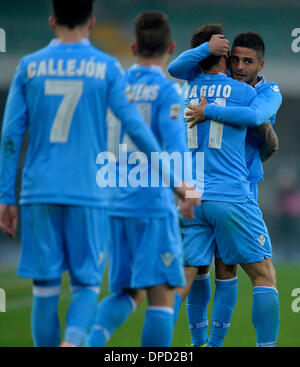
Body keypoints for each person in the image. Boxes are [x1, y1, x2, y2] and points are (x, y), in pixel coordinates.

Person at [0, 0, 197, 347]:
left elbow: (10, 135)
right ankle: (77, 342)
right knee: (142, 293)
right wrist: (179, 185)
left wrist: (5, 195)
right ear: (91, 22)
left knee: (56, 290)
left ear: (51, 21)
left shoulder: (32, 67)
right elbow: (146, 132)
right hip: (118, 198)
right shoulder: (114, 73)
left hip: (71, 194)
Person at [87, 10, 199, 348]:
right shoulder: (168, 91)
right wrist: (187, 189)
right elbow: (175, 146)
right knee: (161, 295)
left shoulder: (115, 86)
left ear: (134, 47)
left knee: (128, 291)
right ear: (171, 47)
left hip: (114, 203)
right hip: (151, 202)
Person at [168, 24, 281, 347]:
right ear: (224, 57)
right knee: (257, 274)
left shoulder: (185, 90)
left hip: (193, 195)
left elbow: (175, 69)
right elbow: (256, 119)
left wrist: (207, 109)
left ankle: (191, 342)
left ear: (260, 65)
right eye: (236, 60)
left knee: (199, 272)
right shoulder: (244, 93)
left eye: (248, 62)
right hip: (231, 192)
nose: (241, 67)